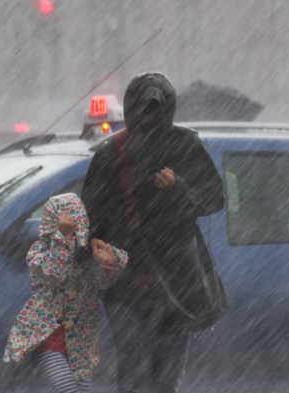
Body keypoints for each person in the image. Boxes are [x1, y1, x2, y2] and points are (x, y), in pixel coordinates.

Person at [81, 72, 225, 393]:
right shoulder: (111, 154)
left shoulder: (185, 146)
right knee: (134, 372)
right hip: (124, 284)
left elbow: (214, 198)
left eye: (155, 110)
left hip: (173, 280)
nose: (149, 119)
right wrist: (93, 245)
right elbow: (90, 213)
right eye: (143, 109)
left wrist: (178, 188)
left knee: (165, 377)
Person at [3, 193, 128, 393]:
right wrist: (62, 238)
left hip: (81, 340)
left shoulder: (88, 256)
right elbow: (54, 273)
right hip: (48, 338)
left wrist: (111, 258)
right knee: (67, 389)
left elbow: (105, 281)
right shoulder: (39, 251)